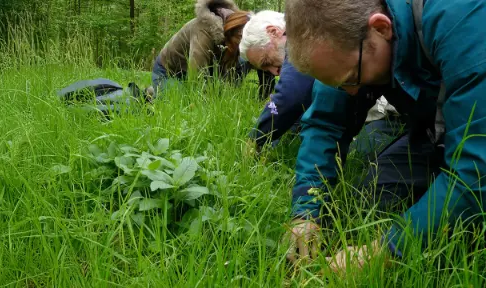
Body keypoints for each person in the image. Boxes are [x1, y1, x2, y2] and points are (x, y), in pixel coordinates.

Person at [282, 0, 486, 270]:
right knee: (375, 199)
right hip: (435, 132)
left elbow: (477, 167)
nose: (351, 93)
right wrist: (306, 212)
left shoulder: (460, 16)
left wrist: (384, 251)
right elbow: (325, 124)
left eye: (351, 79)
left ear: (381, 27)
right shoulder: (346, 44)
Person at [239, 11, 403, 159]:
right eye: (265, 69)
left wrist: (255, 138)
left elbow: (289, 96)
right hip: (378, 112)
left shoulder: (302, 36)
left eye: (267, 61)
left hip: (390, 114)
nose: (274, 72)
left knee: (363, 156)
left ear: (274, 32)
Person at [149, 0, 275, 100]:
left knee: (221, 93)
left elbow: (264, 62)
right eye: (242, 39)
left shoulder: (242, 33)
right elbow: (196, 77)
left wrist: (265, 98)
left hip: (207, 70)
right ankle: (151, 92)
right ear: (232, 33)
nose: (245, 43)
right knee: (183, 101)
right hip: (169, 71)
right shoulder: (204, 29)